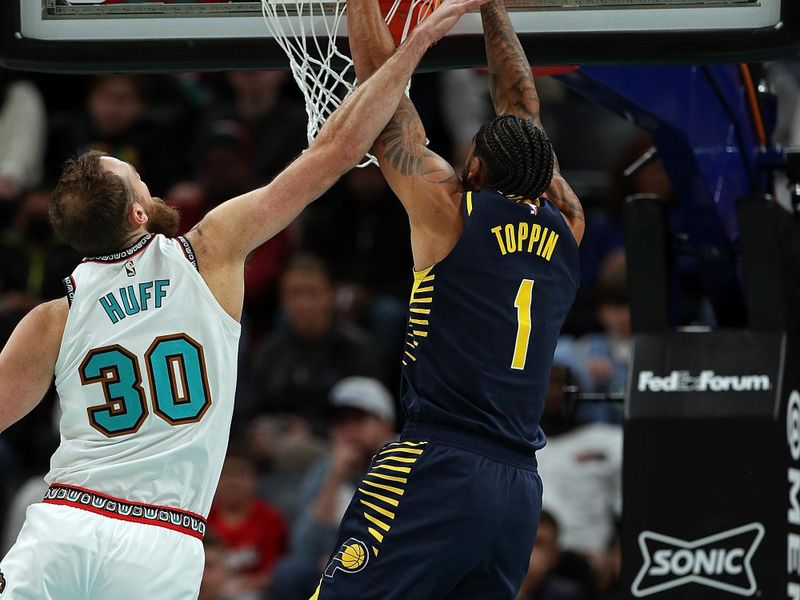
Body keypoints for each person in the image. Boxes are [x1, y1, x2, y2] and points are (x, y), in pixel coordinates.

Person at [0, 2, 484, 597]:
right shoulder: (209, 251)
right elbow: (332, 152)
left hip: (66, 523)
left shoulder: (55, 317)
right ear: (136, 211)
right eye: (137, 181)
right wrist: (412, 47)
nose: (148, 182)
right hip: (159, 540)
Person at [310, 1, 584, 598]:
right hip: (518, 489)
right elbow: (523, 112)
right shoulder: (569, 220)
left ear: (476, 166)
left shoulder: (449, 211)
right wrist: (490, 7)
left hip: (438, 462)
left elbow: (383, 100)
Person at [206, 448, 288, 600]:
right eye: (227, 475)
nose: (233, 482)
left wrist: (247, 584)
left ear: (255, 480)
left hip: (251, 591)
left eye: (241, 475)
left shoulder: (270, 518)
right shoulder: (203, 516)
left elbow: (275, 572)